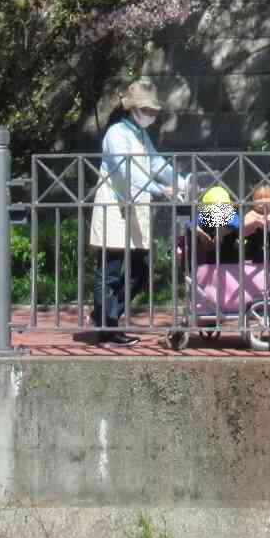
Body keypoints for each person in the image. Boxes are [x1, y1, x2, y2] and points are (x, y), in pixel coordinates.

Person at [88, 78, 188, 343]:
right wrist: (161, 190)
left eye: (154, 111)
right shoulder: (116, 134)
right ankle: (107, 328)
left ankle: (105, 315)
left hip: (135, 209)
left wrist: (180, 182)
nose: (152, 115)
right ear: (133, 108)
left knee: (140, 272)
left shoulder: (140, 134)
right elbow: (127, 171)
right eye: (148, 110)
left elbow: (157, 163)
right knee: (110, 272)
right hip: (114, 206)